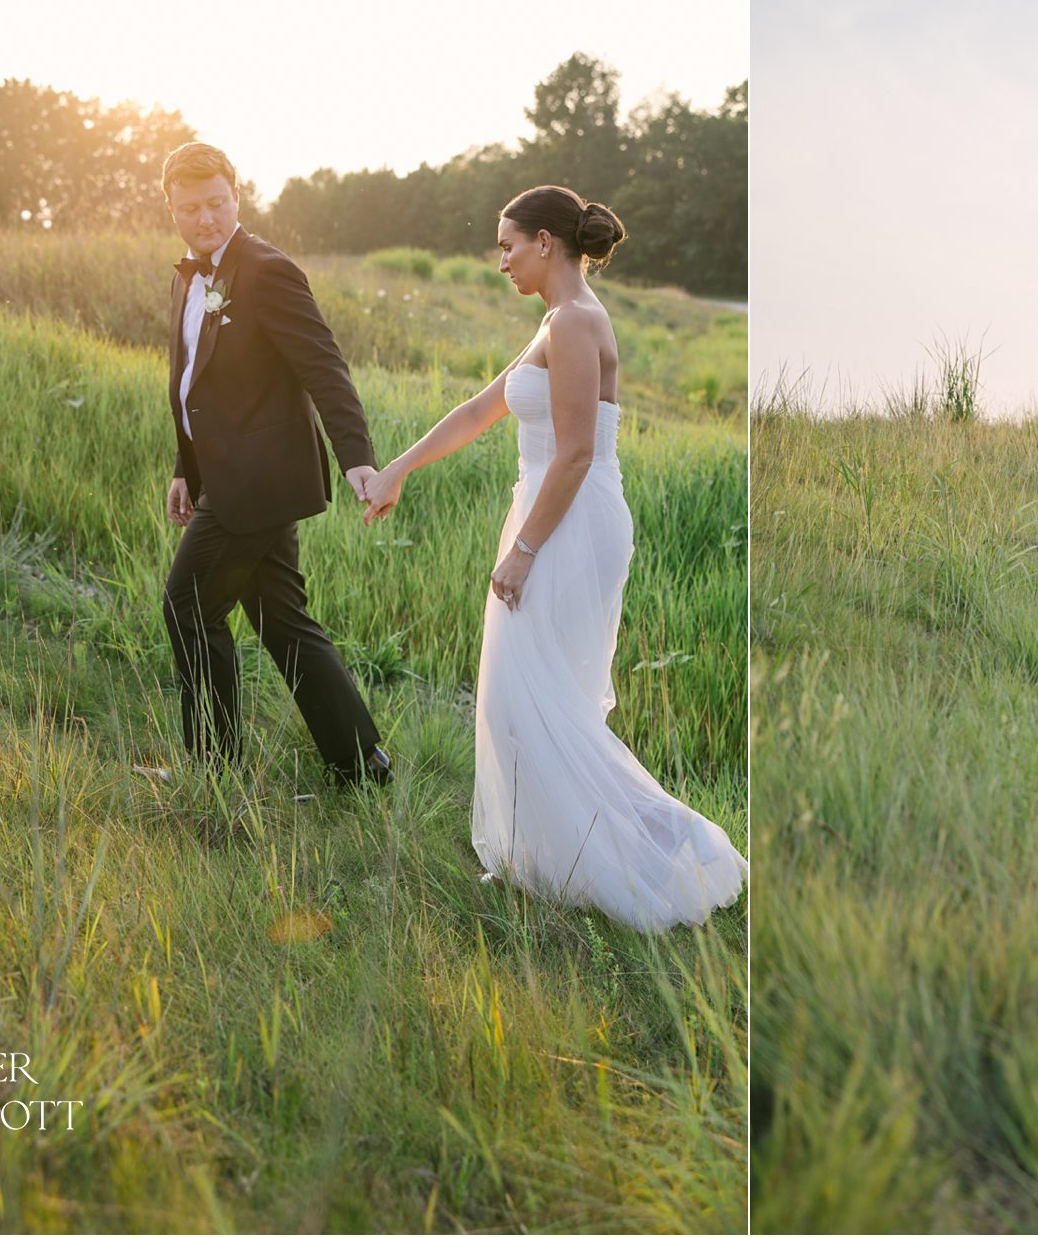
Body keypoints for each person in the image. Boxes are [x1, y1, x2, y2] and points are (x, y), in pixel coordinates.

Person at [361, 186, 746, 931]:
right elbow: (483, 407)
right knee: (523, 701)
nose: (500, 260)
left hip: (565, 523)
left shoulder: (575, 323)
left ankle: (668, 849)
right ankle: (554, 860)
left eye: (506, 245)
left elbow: (573, 457)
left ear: (545, 242)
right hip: (548, 515)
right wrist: (397, 470)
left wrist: (525, 552)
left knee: (538, 703)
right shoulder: (555, 322)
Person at [158, 141, 391, 785]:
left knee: (187, 605)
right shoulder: (188, 276)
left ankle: (212, 770)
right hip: (224, 479)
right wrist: (186, 469)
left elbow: (323, 365)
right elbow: (192, 386)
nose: (204, 219)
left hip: (259, 483)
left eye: (216, 204)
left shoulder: (266, 269)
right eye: (190, 209)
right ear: (171, 209)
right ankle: (363, 762)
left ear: (237, 195)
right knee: (281, 619)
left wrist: (357, 460)